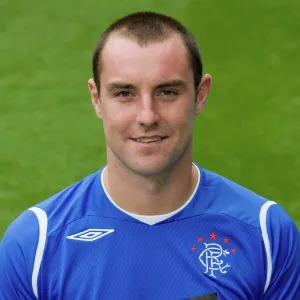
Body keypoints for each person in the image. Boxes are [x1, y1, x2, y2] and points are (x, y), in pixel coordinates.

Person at [0, 11, 299, 300]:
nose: (147, 116)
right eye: (124, 93)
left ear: (201, 94)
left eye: (167, 92)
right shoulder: (36, 243)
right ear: (97, 99)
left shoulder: (265, 234)